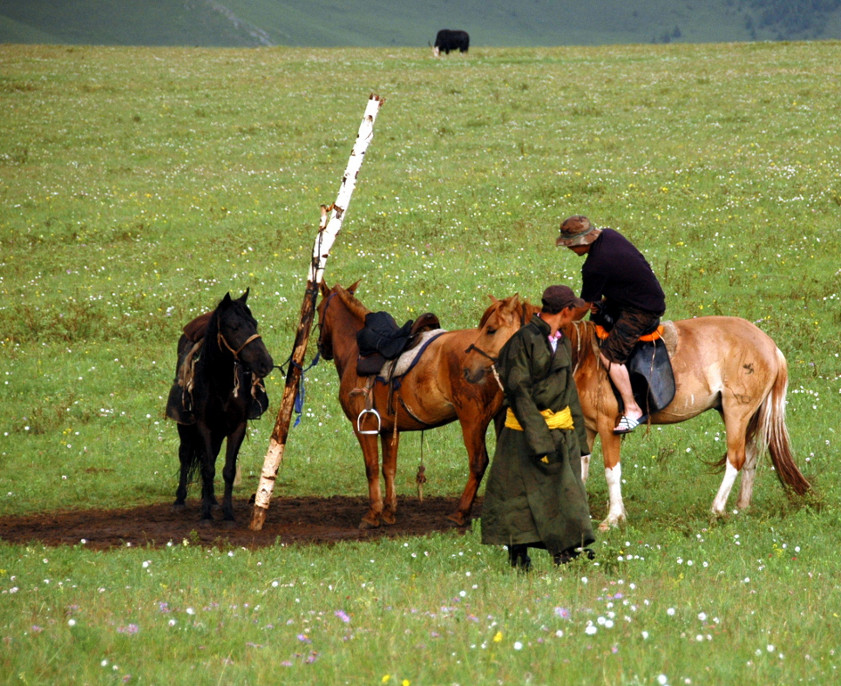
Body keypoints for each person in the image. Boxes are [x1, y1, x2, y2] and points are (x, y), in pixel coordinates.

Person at [481, 285, 595, 571]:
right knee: (517, 498)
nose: (576, 314)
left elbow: (568, 389)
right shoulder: (523, 341)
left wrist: (578, 437)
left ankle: (566, 551)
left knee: (567, 491)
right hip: (525, 433)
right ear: (566, 310)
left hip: (560, 430)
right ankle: (518, 554)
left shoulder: (563, 341)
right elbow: (518, 392)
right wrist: (540, 441)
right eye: (574, 309)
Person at [556, 215, 666, 434]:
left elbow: (582, 309)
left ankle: (631, 408)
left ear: (582, 242)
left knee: (609, 355)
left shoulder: (594, 266)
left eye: (570, 245)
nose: (569, 249)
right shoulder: (609, 235)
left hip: (641, 309)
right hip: (640, 295)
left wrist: (559, 322)